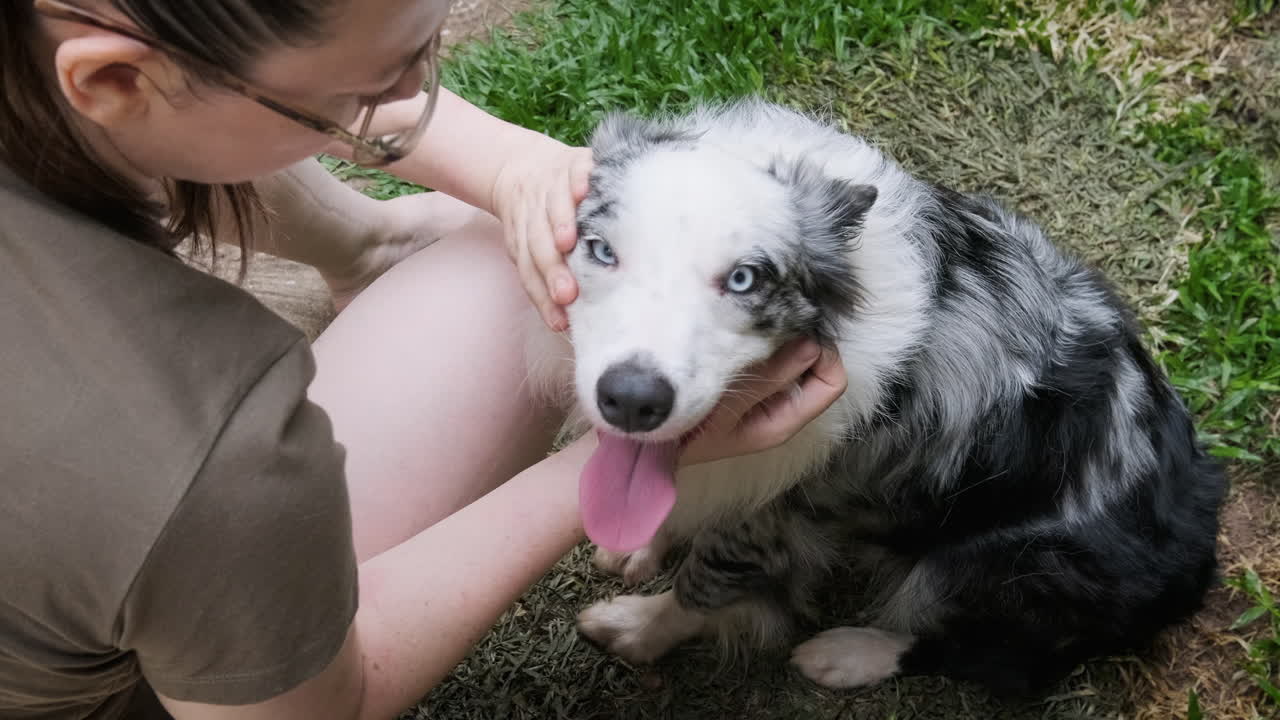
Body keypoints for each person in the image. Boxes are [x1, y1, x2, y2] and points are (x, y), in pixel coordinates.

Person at [0, 1, 849, 718]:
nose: (412, 94)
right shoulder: (205, 454)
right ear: (111, 79)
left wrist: (512, 162)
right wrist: (600, 466)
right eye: (365, 89)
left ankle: (367, 242)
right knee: (504, 275)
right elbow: (334, 701)